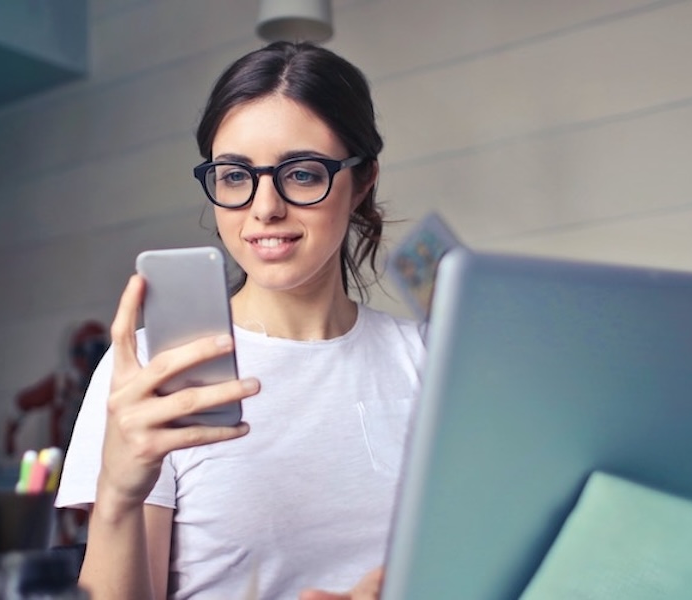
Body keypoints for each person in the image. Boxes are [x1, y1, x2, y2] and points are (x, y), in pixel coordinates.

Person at [56, 41, 425, 600]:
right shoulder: (154, 371)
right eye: (234, 176)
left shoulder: (429, 360)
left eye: (301, 174)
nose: (264, 208)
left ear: (363, 180)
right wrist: (117, 497)